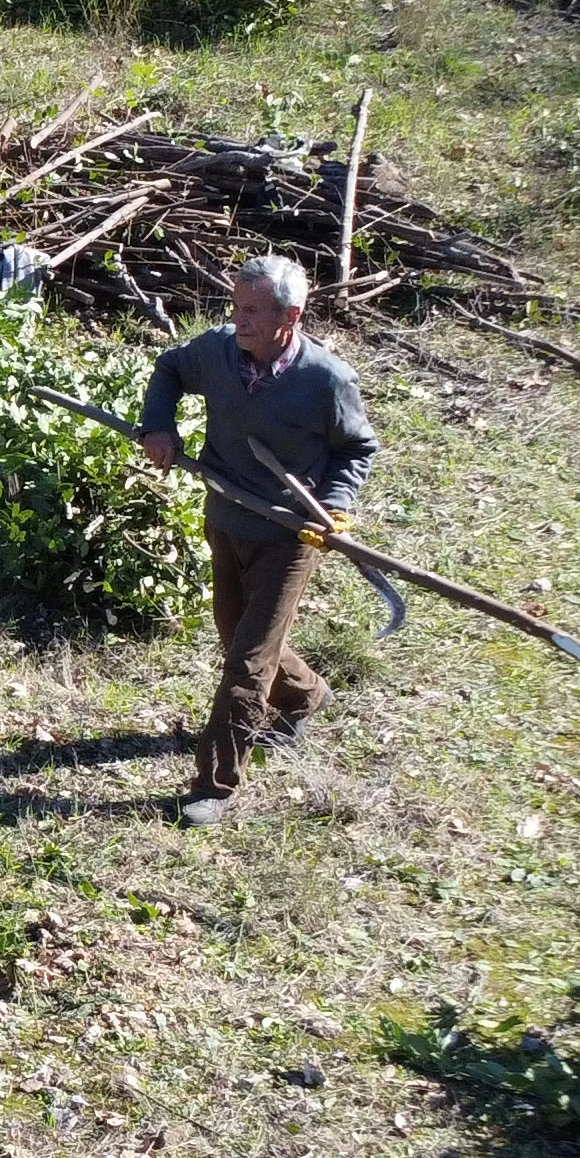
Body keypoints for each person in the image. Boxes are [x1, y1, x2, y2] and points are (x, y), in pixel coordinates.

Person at [138, 254, 378, 827]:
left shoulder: (325, 380)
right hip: (227, 515)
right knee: (238, 635)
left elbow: (357, 449)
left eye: (252, 311)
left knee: (246, 664)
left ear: (289, 317)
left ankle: (214, 785)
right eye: (236, 307)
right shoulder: (219, 352)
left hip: (289, 535)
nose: (238, 321)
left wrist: (336, 505)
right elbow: (169, 370)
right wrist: (159, 425)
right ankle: (304, 695)